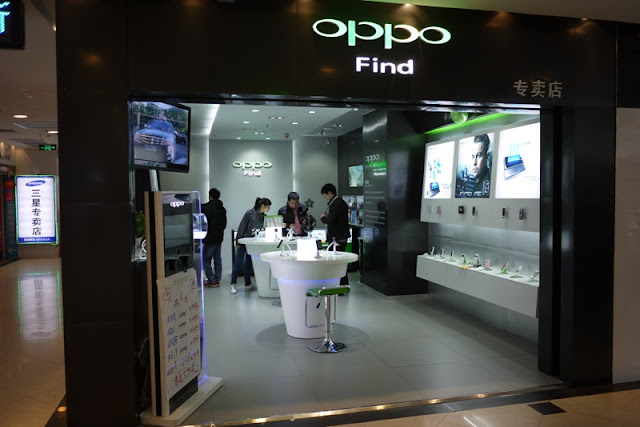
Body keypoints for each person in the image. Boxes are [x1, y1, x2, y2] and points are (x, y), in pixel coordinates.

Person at [230, 197, 272, 294]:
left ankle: (247, 283)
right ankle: (233, 283)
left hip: (253, 243)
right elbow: (242, 226)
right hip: (243, 242)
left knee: (249, 264)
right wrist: (238, 241)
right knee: (238, 262)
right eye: (268, 206)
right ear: (263, 206)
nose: (269, 208)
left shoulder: (264, 217)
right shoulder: (249, 213)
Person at [320, 183, 350, 286]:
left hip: (337, 238)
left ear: (329, 193)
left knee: (336, 263)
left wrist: (323, 218)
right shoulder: (341, 202)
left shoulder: (336, 204)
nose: (325, 197)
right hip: (341, 236)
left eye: (325, 195)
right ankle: (342, 284)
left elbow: (330, 220)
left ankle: (339, 285)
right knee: (340, 263)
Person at [201, 188, 227, 288]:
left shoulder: (207, 208)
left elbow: (204, 222)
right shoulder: (222, 209)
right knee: (217, 259)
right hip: (219, 238)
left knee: (205, 260)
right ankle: (217, 279)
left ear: (210, 196)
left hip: (209, 238)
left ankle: (211, 280)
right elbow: (224, 224)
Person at [456, 133, 492, 198]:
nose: (474, 162)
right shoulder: (480, 183)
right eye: (473, 156)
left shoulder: (485, 188)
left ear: (487, 157)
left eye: (479, 155)